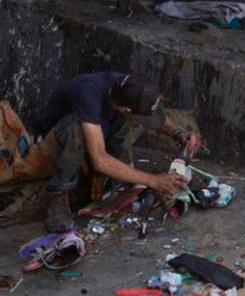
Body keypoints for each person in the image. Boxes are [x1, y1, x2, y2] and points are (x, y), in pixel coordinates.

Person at [38, 72, 203, 232]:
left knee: (136, 120)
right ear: (123, 108)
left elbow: (151, 112)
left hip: (100, 129)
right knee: (76, 130)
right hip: (57, 141)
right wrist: (153, 180)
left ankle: (110, 174)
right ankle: (57, 193)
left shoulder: (129, 87)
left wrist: (177, 133)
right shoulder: (87, 92)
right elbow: (99, 159)